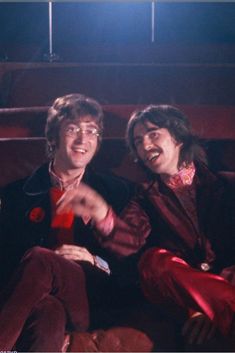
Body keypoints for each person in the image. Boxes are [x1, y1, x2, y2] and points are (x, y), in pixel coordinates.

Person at [59, 105, 235, 350]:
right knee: (153, 260)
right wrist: (102, 213)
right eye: (138, 142)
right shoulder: (143, 197)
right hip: (175, 294)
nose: (145, 146)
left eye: (153, 134)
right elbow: (131, 244)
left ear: (178, 137)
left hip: (221, 286)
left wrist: (207, 305)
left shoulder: (227, 184)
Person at [0, 93, 135, 351]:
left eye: (92, 131)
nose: (83, 139)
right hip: (34, 296)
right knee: (48, 312)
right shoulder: (15, 194)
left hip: (93, 296)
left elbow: (134, 261)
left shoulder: (118, 191)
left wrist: (96, 261)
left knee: (42, 258)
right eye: (72, 129)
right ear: (53, 137)